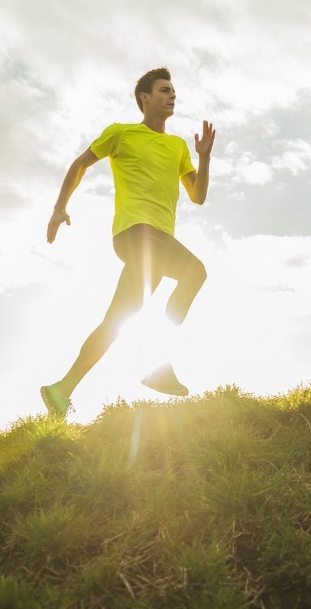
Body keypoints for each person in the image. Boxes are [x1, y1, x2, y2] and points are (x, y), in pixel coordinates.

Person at [40, 67, 215, 417]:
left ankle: (61, 389)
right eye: (164, 90)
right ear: (144, 98)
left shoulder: (178, 146)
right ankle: (159, 365)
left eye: (173, 91)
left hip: (159, 242)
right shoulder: (121, 133)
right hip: (135, 233)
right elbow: (80, 164)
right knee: (195, 272)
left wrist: (205, 157)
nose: (172, 95)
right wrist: (59, 208)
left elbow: (197, 196)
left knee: (117, 320)